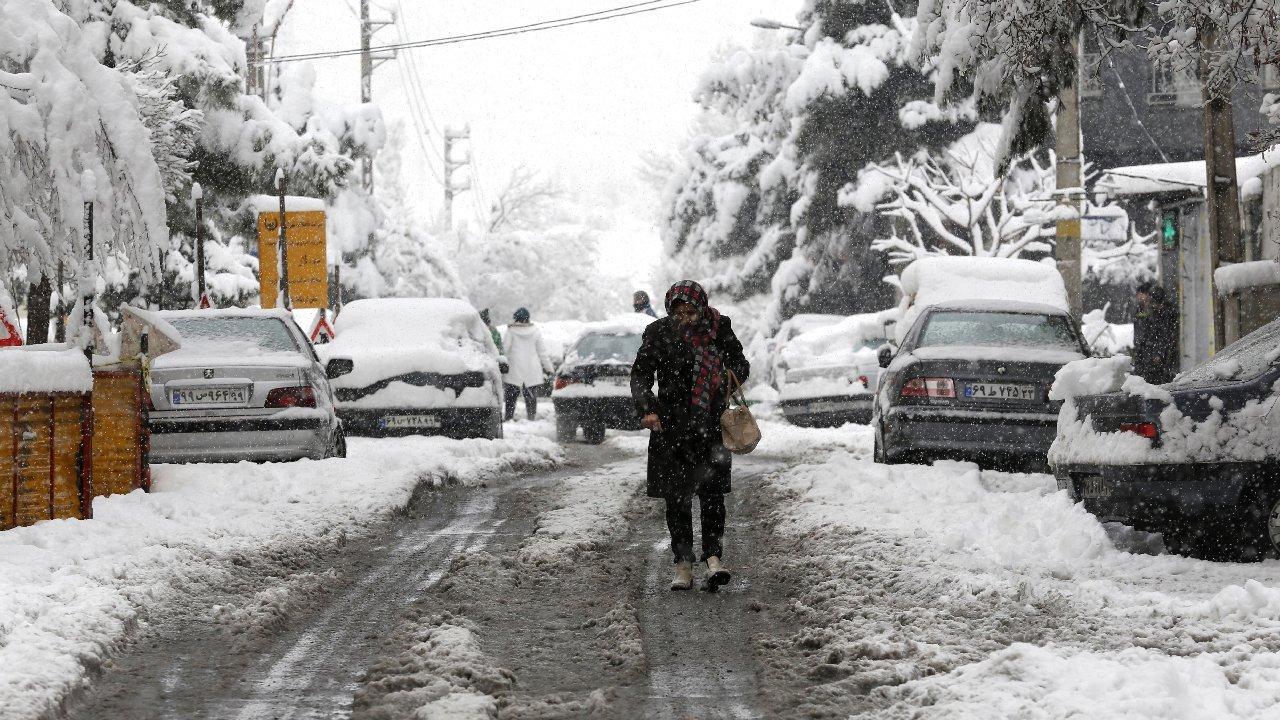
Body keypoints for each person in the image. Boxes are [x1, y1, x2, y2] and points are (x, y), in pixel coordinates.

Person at [631, 280, 749, 591]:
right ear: (670, 310)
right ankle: (683, 563)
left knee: (712, 497)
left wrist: (723, 378)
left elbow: (740, 364)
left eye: (691, 311)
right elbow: (641, 373)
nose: (685, 317)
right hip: (670, 427)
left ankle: (713, 559)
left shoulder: (719, 327)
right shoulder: (658, 332)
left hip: (710, 425)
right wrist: (648, 408)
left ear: (701, 307)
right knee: (677, 499)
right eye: (678, 311)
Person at [502, 307, 554, 421]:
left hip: (514, 369)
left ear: (516, 318)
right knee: (530, 396)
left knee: (511, 396)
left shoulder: (511, 331)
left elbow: (505, 349)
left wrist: (500, 362)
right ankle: (531, 417)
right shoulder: (535, 331)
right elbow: (542, 352)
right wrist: (549, 368)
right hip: (531, 368)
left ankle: (508, 417)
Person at [1132, 282, 1180, 384]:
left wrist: (1159, 352)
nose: (1139, 297)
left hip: (1154, 351)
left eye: (1141, 293)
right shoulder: (1141, 309)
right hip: (1144, 349)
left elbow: (1163, 333)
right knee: (1144, 376)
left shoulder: (1164, 312)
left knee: (1157, 378)